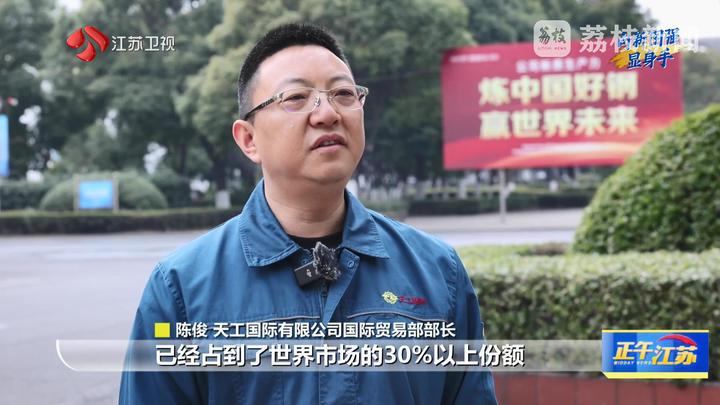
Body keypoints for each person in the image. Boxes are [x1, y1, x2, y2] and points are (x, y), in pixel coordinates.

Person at [119, 23, 497, 404]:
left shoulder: (437, 271)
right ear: (249, 139)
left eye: (343, 94)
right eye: (296, 97)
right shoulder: (182, 289)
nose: (327, 113)